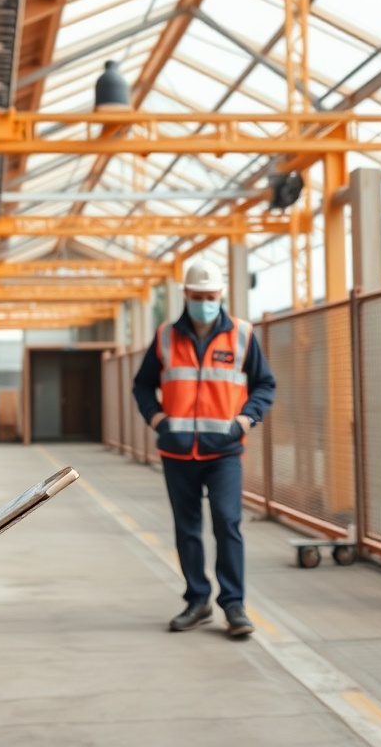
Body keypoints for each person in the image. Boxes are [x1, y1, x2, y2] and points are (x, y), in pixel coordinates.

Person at [132, 258, 275, 638]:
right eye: (198, 297)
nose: (205, 303)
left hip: (224, 450)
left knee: (227, 523)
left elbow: (265, 384)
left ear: (221, 295)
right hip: (177, 450)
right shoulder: (166, 336)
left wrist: (246, 419)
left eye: (211, 296)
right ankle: (198, 601)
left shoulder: (242, 335)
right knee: (188, 529)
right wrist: (157, 419)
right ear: (186, 295)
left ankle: (234, 605)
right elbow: (143, 385)